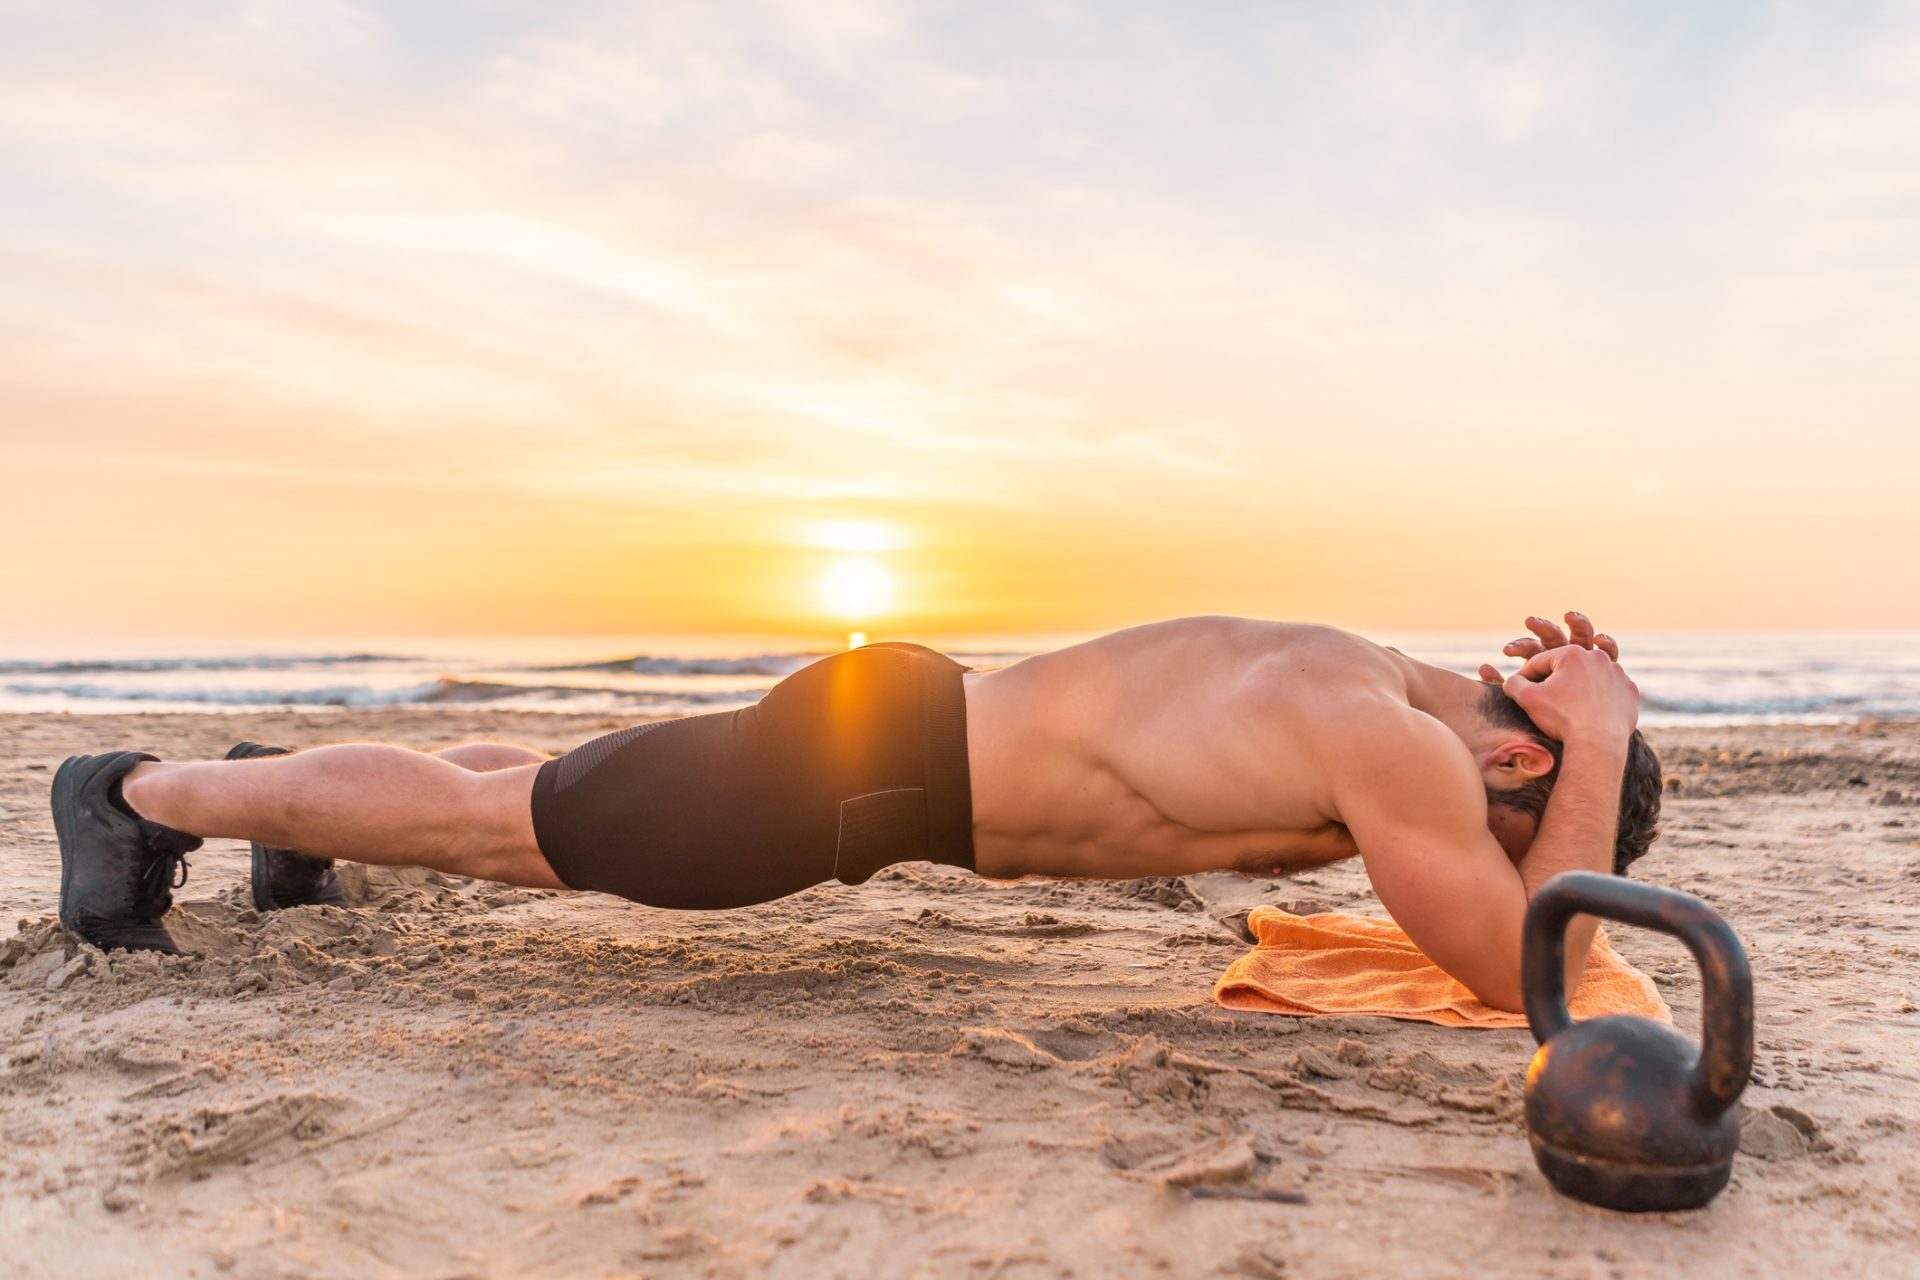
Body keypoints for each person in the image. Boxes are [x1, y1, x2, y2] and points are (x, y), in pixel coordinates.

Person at [51, 611, 1658, 1013]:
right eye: (1538, 816)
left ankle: (293, 809)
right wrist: (1607, 741)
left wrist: (1585, 730)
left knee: (539, 804)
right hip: (862, 778)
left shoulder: (1354, 682)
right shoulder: (1408, 750)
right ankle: (132, 797)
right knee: (514, 834)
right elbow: (1534, 968)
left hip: (894, 732)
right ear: (1519, 767)